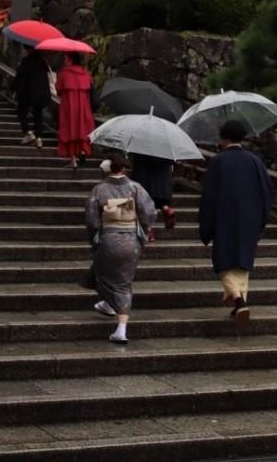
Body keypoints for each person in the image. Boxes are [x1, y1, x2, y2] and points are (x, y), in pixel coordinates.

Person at [198, 119, 272, 327]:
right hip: (250, 217)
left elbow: (210, 196)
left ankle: (238, 301)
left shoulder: (218, 162)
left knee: (223, 262)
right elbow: (266, 192)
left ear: (224, 139)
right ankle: (240, 302)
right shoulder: (255, 161)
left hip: (225, 216)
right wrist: (261, 217)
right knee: (242, 261)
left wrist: (206, 224)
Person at [85, 153, 155, 343]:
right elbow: (148, 213)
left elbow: (92, 220)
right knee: (122, 279)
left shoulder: (99, 190)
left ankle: (121, 329)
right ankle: (109, 305)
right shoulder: (135, 188)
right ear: (122, 168)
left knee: (106, 273)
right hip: (131, 241)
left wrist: (94, 237)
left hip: (108, 238)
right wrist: (146, 227)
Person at [56, 52, 95, 168]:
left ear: (69, 59)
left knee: (70, 129)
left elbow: (58, 89)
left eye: (65, 57)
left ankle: (73, 160)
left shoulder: (65, 73)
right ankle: (82, 151)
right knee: (82, 128)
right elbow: (90, 87)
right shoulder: (85, 73)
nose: (64, 60)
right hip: (84, 106)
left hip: (69, 106)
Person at [12, 46, 53, 148]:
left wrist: (13, 89)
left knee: (21, 111)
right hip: (41, 93)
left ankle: (28, 132)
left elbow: (20, 78)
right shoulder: (43, 62)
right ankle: (39, 138)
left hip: (28, 92)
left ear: (29, 50)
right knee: (38, 115)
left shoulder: (26, 61)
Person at [131, 152, 177, 237]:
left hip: (145, 178)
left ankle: (148, 229)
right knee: (161, 201)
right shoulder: (167, 146)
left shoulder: (142, 146)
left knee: (144, 205)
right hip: (163, 181)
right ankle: (166, 209)